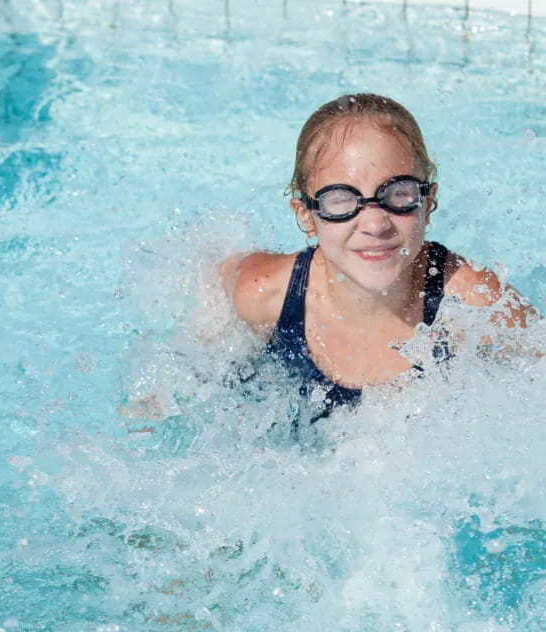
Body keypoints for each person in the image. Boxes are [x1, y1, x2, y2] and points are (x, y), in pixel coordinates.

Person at [220, 92, 535, 414]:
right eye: (340, 199)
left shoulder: (474, 306)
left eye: (398, 193)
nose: (374, 223)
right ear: (306, 214)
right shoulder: (267, 294)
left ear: (428, 202)